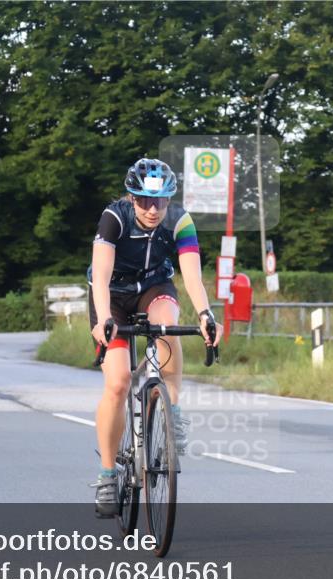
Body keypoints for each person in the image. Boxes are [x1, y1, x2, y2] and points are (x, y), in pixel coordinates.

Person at [88, 158, 222, 517]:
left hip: (154, 287)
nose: (152, 209)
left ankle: (170, 412)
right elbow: (100, 276)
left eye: (160, 201)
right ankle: (107, 475)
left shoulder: (180, 220)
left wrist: (206, 314)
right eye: (145, 201)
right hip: (112, 297)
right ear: (132, 198)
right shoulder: (114, 218)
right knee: (118, 382)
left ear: (169, 199)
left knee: (167, 325)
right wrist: (103, 319)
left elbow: (191, 276)